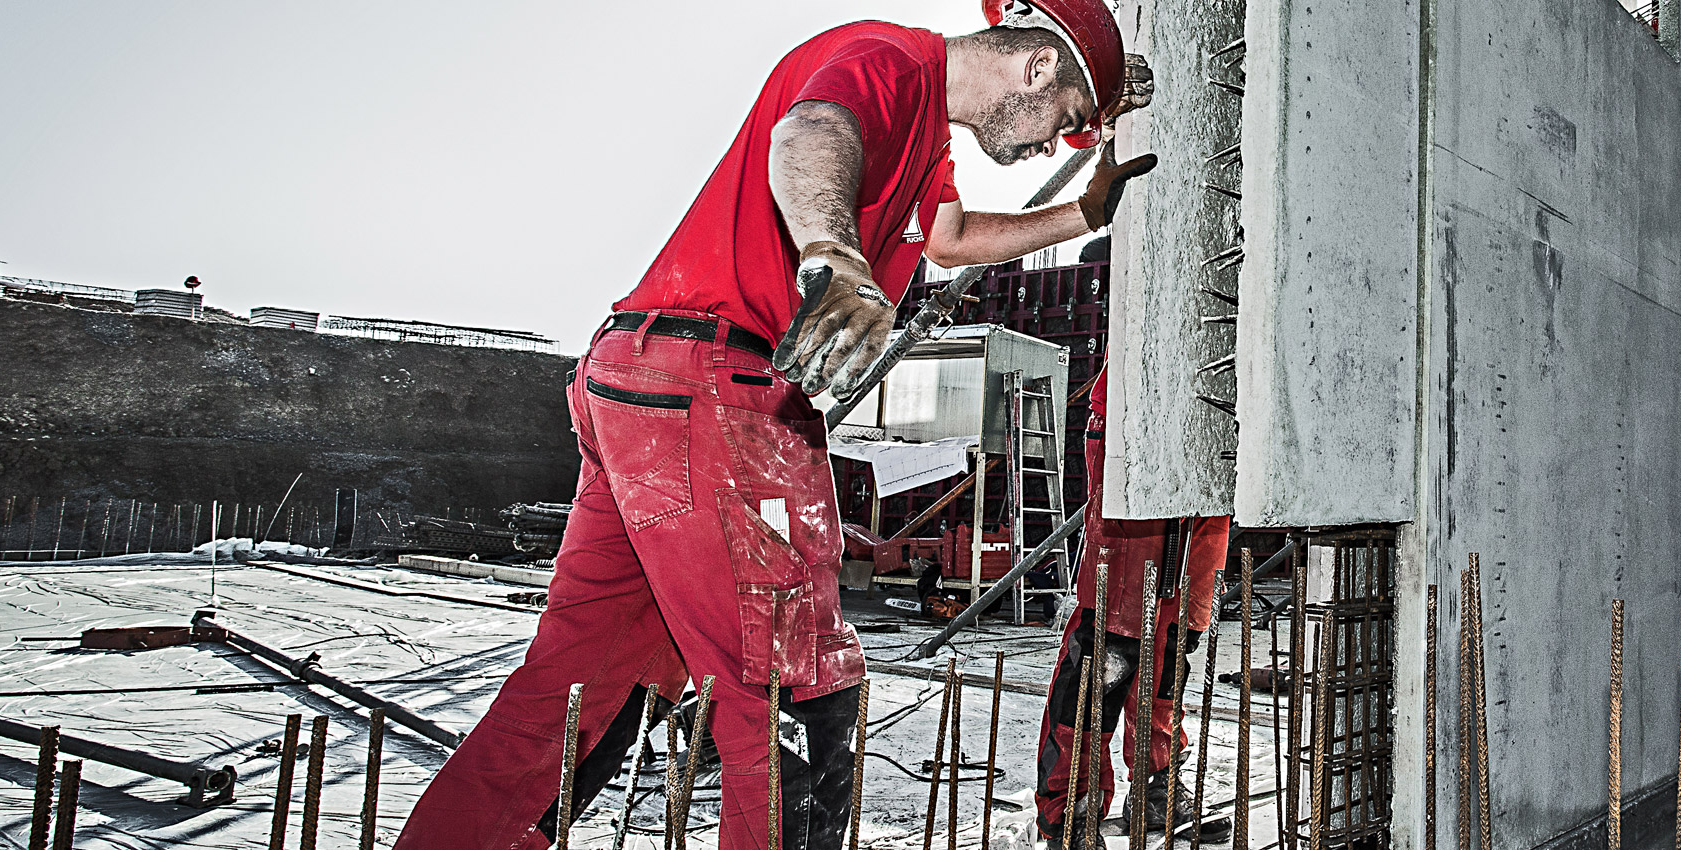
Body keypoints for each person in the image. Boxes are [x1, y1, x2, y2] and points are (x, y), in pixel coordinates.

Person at [394, 2, 1153, 847]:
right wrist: (836, 258)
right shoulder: (888, 62)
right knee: (802, 691)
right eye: (1067, 124)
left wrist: (1084, 215)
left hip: (645, 383)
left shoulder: (928, 138)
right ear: (1039, 69)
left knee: (584, 691)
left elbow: (950, 238)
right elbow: (812, 133)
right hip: (716, 385)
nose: (1055, 144)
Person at [1033, 364, 1236, 847]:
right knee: (1111, 642)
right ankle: (1072, 806)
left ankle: (1156, 785)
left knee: (1174, 638)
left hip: (1217, 437)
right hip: (1139, 423)